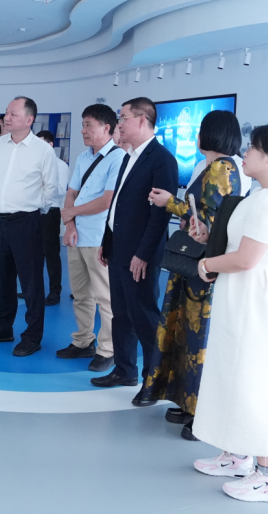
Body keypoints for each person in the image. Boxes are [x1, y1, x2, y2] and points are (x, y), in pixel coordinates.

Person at [190, 124, 268, 504]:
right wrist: (206, 238)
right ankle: (238, 455)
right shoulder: (260, 195)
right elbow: (238, 245)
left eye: (252, 148)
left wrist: (206, 264)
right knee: (232, 375)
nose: (244, 153)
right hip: (238, 295)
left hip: (251, 300)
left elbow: (246, 259)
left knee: (251, 383)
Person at [139, 110, 243, 439]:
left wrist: (171, 203)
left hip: (202, 264)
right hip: (194, 263)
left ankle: (203, 412)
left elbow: (210, 221)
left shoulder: (222, 168)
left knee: (199, 339)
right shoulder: (214, 167)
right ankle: (189, 402)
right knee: (187, 334)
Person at [92, 97, 178, 399]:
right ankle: (124, 369)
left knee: (144, 316)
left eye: (123, 118)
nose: (119, 124)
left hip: (140, 254)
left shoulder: (162, 159)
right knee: (121, 314)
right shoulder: (128, 156)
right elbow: (117, 204)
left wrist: (143, 254)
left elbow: (160, 216)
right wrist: (107, 241)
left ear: (142, 120)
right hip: (118, 249)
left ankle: (154, 382)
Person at [0, 97, 59, 356]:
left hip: (27, 221)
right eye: (6, 113)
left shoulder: (43, 150)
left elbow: (51, 189)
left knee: (31, 282)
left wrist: (31, 211)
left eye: (13, 114)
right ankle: (3, 328)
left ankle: (32, 336)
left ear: (29, 119)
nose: (6, 118)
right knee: (4, 278)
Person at [57, 104, 125, 372]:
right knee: (81, 294)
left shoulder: (118, 158)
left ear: (106, 128)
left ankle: (107, 349)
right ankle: (83, 341)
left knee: (104, 297)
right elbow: (71, 193)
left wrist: (71, 213)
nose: (83, 130)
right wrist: (69, 225)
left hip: (98, 238)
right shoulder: (83, 157)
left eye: (88, 125)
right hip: (77, 236)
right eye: (82, 125)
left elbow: (106, 201)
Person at [36, 130, 69, 305]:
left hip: (50, 212)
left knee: (51, 254)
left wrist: (42, 184)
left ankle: (55, 291)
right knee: (33, 253)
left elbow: (60, 191)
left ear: (50, 145)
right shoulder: (35, 163)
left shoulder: (60, 165)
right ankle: (33, 289)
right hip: (34, 211)